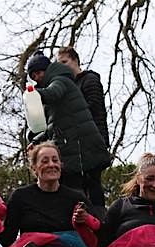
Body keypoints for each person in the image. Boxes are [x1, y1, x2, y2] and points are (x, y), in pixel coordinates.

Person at [26, 50, 111, 214]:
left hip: (82, 148)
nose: (36, 78)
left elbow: (53, 93)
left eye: (38, 72)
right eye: (32, 75)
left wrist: (34, 94)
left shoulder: (61, 81)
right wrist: (35, 139)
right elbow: (51, 126)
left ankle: (98, 223)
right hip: (72, 147)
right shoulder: (56, 91)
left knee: (87, 191)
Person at [57, 46, 110, 148]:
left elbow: (93, 107)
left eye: (64, 62)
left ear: (75, 60)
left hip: (95, 139)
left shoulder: (90, 79)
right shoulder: (67, 87)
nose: (62, 67)